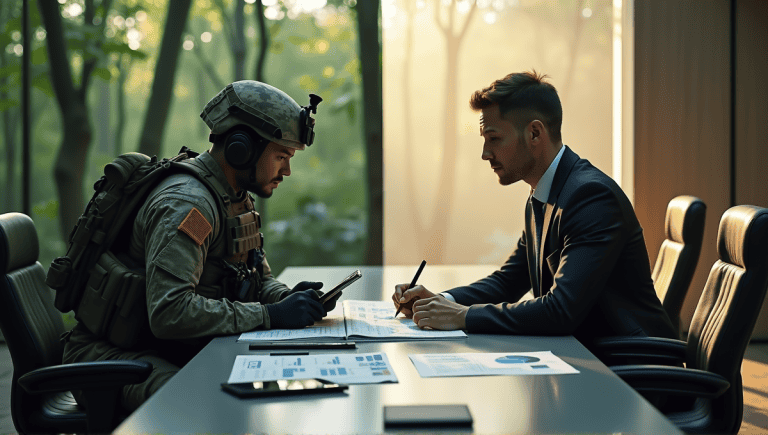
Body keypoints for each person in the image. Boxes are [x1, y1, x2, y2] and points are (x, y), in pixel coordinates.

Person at [62, 80, 339, 412]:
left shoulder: (234, 198)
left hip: (164, 350)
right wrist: (269, 315)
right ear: (242, 147)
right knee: (207, 406)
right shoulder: (188, 205)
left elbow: (258, 278)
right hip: (111, 358)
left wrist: (285, 297)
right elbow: (170, 312)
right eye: (281, 156)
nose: (287, 170)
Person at [392, 71, 677, 351]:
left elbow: (561, 310)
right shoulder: (542, 196)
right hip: (587, 357)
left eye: (494, 139)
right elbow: (508, 282)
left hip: (632, 372)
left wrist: (462, 316)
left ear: (534, 133)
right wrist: (441, 301)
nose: (485, 153)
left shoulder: (590, 198)